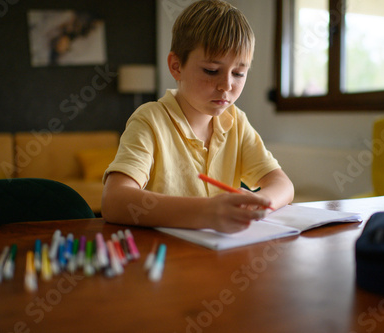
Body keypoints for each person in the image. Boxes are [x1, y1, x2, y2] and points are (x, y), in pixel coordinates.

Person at [102, 0, 294, 234]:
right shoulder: (150, 120)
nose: (226, 85)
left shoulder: (237, 122)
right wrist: (206, 212)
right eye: (211, 71)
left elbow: (283, 184)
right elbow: (114, 201)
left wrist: (261, 201)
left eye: (239, 73)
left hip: (220, 256)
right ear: (176, 66)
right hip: (166, 257)